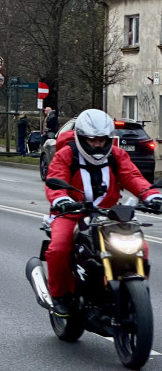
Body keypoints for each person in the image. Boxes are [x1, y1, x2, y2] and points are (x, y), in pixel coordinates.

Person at [45, 108, 162, 316]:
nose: (97, 144)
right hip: (72, 212)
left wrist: (151, 195)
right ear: (81, 138)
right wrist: (62, 200)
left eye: (102, 139)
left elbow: (132, 176)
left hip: (109, 214)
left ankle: (134, 295)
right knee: (59, 248)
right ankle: (60, 297)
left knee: (140, 246)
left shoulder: (117, 155)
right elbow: (55, 181)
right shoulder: (66, 154)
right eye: (92, 140)